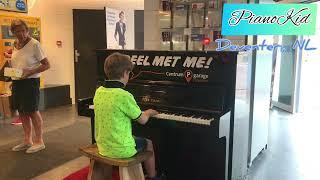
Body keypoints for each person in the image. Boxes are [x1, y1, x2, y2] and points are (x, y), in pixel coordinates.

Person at [93, 52, 160, 180]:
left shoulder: (99, 91)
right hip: (122, 150)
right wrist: (149, 112)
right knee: (149, 143)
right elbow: (143, 120)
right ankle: (153, 176)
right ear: (125, 73)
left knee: (132, 137)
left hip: (103, 146)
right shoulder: (124, 95)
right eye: (130, 73)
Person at [10, 19, 50, 153]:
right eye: (17, 31)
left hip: (31, 82)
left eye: (23, 30)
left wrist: (31, 71)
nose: (21, 33)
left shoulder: (34, 44)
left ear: (27, 30)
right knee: (22, 111)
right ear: (13, 32)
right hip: (17, 82)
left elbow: (47, 65)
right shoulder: (15, 44)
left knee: (32, 111)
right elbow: (18, 62)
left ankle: (39, 141)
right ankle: (27, 140)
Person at [4, 48, 23, 125]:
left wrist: (8, 54)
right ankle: (21, 118)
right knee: (18, 100)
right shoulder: (17, 55)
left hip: (22, 80)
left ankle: (21, 118)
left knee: (20, 100)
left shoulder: (20, 55)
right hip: (17, 79)